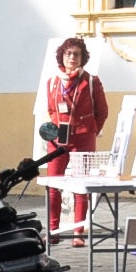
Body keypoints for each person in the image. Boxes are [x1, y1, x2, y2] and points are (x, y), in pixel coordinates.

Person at [40, 38, 113, 231]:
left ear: (82, 57)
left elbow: (103, 111)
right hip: (57, 140)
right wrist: (57, 128)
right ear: (61, 56)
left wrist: (90, 130)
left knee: (81, 186)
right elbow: (51, 109)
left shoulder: (91, 81)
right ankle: (53, 230)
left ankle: (78, 231)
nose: (72, 57)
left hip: (83, 139)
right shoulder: (52, 82)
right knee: (54, 185)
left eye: (76, 54)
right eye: (68, 54)